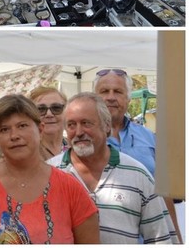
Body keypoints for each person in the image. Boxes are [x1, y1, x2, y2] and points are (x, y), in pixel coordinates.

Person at [0, 95, 99, 243]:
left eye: (22, 126)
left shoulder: (69, 188)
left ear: (40, 130)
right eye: (4, 129)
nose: (14, 135)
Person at [48, 92, 179, 243]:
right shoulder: (48, 173)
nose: (78, 132)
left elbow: (161, 238)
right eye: (71, 125)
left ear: (107, 126)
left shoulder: (138, 175)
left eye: (86, 123)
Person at [93, 67, 182, 240]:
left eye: (118, 91)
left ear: (128, 98)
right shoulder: (84, 141)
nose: (111, 97)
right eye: (104, 91)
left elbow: (165, 194)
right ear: (94, 97)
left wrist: (176, 239)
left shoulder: (149, 138)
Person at [29, 86, 68, 160]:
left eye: (56, 108)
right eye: (41, 109)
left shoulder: (75, 146)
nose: (49, 114)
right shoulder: (28, 153)